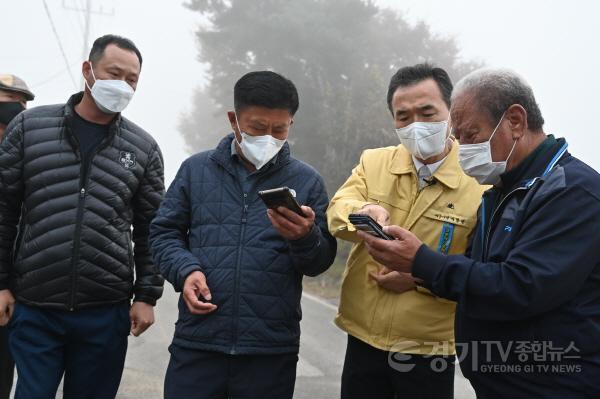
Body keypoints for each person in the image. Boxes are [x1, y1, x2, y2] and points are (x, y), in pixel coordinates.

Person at [359, 68, 600, 398]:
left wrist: (421, 261)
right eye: (457, 137)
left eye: (471, 134)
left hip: (554, 384)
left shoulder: (573, 193)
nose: (463, 149)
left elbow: (520, 287)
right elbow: (480, 272)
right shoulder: (499, 193)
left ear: (515, 121)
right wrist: (417, 272)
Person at [150, 70, 337, 399]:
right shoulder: (196, 170)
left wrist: (304, 238)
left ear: (291, 124)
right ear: (234, 119)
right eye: (257, 127)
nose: (269, 137)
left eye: (279, 129)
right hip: (198, 343)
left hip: (269, 350)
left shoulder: (307, 181)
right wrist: (186, 270)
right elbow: (164, 233)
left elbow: (320, 261)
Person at [0, 34, 165, 398]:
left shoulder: (143, 149)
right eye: (114, 73)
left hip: (103, 313)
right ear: (88, 70)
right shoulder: (29, 130)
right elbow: (4, 211)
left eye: (131, 79)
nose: (122, 84)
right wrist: (1, 284)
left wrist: (147, 296)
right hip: (35, 305)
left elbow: (152, 229)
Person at [327, 63, 486, 399]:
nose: (415, 125)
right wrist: (362, 213)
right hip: (363, 336)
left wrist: (419, 276)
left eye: (427, 112)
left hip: (428, 346)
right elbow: (337, 210)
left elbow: (483, 269)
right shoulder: (375, 162)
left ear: (451, 113)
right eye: (403, 116)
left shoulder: (480, 183)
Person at [0, 73, 34, 399]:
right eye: (8, 102)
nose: (17, 110)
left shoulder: (28, 156)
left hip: (9, 292)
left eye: (22, 104)